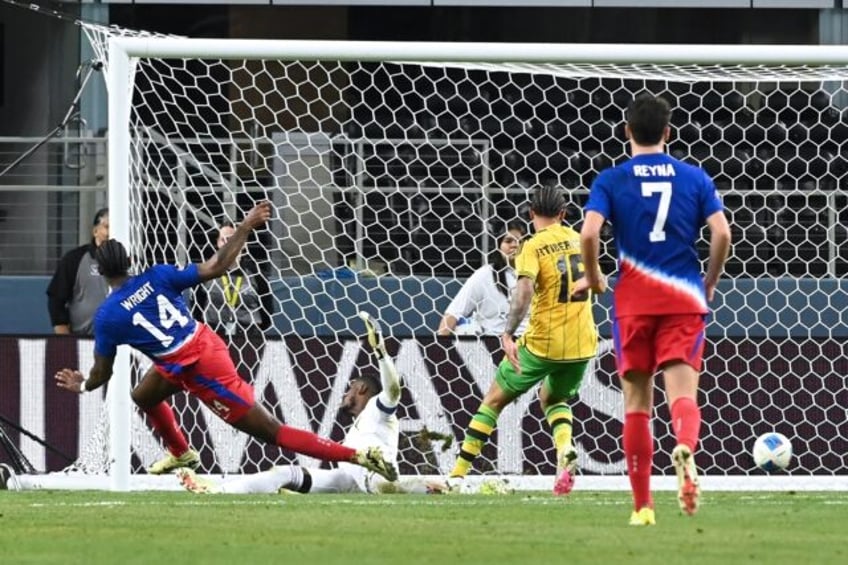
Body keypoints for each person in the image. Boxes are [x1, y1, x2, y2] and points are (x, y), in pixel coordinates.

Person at [54, 202, 397, 483]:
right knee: (143, 394)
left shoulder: (108, 317)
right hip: (195, 347)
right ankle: (181, 453)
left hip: (202, 368)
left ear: (99, 269)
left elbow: (102, 373)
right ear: (130, 260)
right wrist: (245, 227)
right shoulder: (158, 273)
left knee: (273, 431)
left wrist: (83, 384)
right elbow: (217, 266)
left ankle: (360, 455)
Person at [577, 94, 731, 526]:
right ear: (668, 132)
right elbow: (722, 233)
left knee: (636, 404)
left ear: (627, 130)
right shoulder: (695, 177)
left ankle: (643, 507)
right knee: (682, 395)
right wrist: (711, 280)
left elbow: (589, 234)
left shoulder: (611, 179)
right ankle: (685, 446)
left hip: (634, 301)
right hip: (683, 297)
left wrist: (593, 276)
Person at [445, 186, 601, 496]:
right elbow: (601, 284)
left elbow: (524, 293)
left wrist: (507, 333)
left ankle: (457, 475)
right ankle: (565, 450)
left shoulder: (532, 245)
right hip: (583, 342)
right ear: (563, 214)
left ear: (531, 214)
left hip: (543, 342)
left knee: (493, 400)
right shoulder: (580, 238)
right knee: (553, 399)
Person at [177, 311, 414, 495]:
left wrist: (381, 352)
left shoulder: (377, 409)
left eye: (350, 387)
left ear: (361, 388)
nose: (345, 393)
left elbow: (393, 391)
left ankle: (447, 486)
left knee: (390, 486)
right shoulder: (357, 427)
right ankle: (218, 491)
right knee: (283, 473)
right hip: (349, 480)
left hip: (378, 478)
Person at [437, 222, 528, 337]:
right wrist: (438, 349)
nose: (514, 245)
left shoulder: (537, 275)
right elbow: (453, 313)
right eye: (508, 241)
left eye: (520, 242)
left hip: (530, 346)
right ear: (498, 245)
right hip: (493, 343)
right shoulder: (484, 275)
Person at [46, 208, 110, 335]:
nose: (112, 232)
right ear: (95, 231)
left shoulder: (134, 262)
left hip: (126, 343)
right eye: (107, 227)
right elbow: (56, 299)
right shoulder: (74, 259)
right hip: (84, 339)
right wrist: (64, 338)